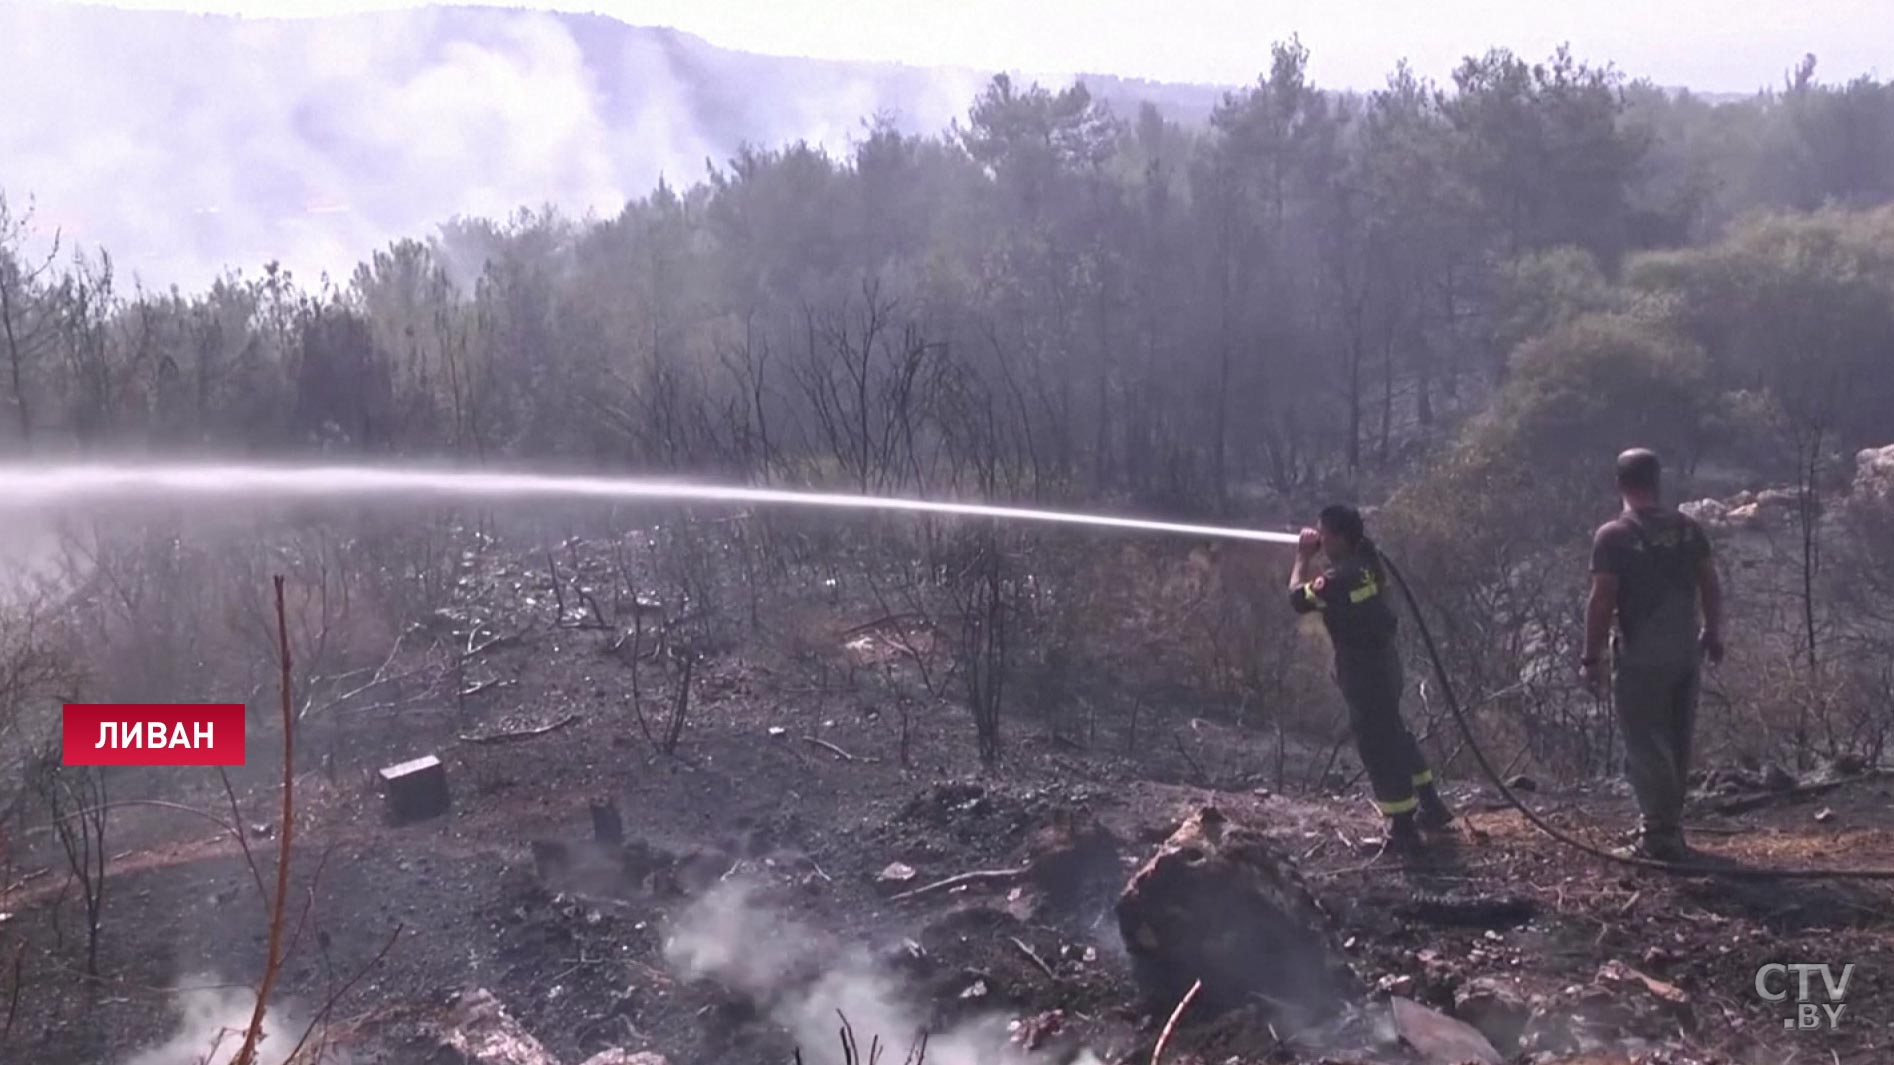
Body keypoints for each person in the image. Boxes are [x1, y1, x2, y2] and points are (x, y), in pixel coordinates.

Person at [1581, 448, 1725, 861]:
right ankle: (1666, 827)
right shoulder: (1688, 528)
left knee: (1645, 743)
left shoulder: (1613, 535)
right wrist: (1713, 633)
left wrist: (1590, 658)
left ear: (1620, 484)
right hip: (1685, 651)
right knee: (1678, 740)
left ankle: (1659, 836)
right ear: (1657, 482)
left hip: (1640, 655)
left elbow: (1601, 600)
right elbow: (1711, 585)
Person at [1290, 504, 1455, 857]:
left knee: (1377, 746)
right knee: (1394, 732)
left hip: (1362, 668)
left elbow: (1296, 598)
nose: (1320, 538)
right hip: (1385, 662)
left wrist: (1302, 557)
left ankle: (1403, 828)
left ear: (1337, 537)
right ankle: (1431, 804)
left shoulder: (1335, 580)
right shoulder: (1368, 564)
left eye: (1324, 533)